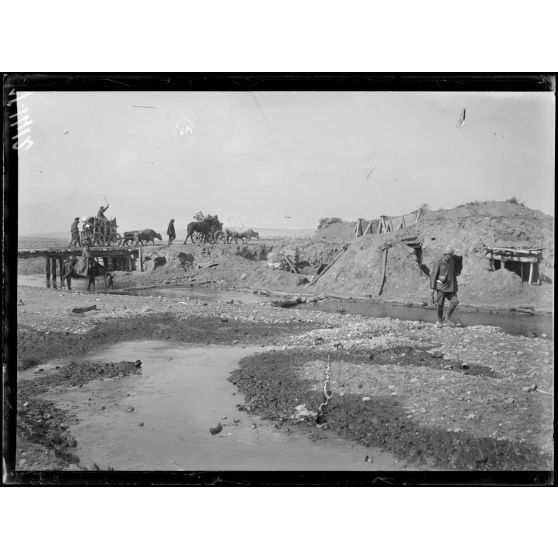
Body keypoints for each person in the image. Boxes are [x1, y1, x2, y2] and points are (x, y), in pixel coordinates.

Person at [430, 246, 460, 327]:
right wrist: (432, 288)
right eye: (450, 254)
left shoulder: (452, 262)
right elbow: (433, 275)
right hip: (441, 287)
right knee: (440, 304)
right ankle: (440, 320)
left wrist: (455, 286)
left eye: (452, 254)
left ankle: (447, 317)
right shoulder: (439, 262)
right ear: (446, 254)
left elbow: (453, 274)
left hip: (450, 287)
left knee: (455, 301)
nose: (452, 256)